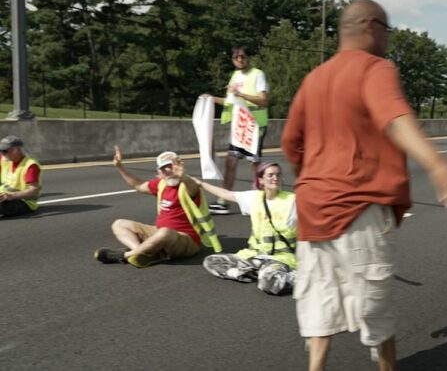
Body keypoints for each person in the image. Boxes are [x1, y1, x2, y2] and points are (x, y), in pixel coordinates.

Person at [281, 0, 447, 371]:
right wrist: (437, 164)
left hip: (313, 210)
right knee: (375, 309)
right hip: (360, 207)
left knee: (319, 299)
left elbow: (290, 143)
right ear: (370, 26)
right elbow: (394, 117)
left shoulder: (314, 78)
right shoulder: (376, 68)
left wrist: (317, 176)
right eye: (387, 29)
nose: (388, 38)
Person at [94, 146, 221, 268]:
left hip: (187, 240)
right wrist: (120, 167)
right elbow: (138, 186)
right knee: (119, 224)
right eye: (164, 168)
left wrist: (183, 176)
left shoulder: (188, 185)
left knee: (165, 232)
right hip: (160, 232)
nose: (169, 171)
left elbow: (191, 187)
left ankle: (126, 255)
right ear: (159, 172)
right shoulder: (161, 184)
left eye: (172, 166)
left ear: (179, 166)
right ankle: (143, 252)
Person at [198, 161, 297, 295]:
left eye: (278, 175)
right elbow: (226, 194)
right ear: (261, 180)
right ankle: (253, 273)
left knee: (268, 284)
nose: (275, 178)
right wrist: (201, 184)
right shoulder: (254, 197)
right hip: (254, 255)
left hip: (281, 258)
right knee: (211, 261)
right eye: (271, 175)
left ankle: (297, 277)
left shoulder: (292, 201)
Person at [200, 45, 269, 215]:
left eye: (243, 57)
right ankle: (223, 201)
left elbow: (263, 100)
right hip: (239, 126)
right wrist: (210, 99)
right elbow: (230, 101)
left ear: (248, 58)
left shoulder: (257, 74)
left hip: (254, 125)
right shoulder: (235, 76)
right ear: (232, 60)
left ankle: (263, 200)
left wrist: (242, 95)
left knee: (254, 164)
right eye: (236, 58)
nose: (240, 60)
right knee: (230, 163)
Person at [0, 135, 42, 219]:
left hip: (23, 201)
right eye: (1, 150)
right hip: (3, 197)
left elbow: (34, 190)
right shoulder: (5, 159)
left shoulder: (30, 165)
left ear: (18, 150)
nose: (2, 153)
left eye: (5, 151)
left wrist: (10, 196)